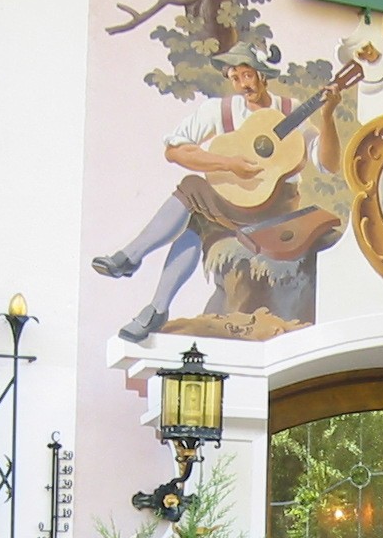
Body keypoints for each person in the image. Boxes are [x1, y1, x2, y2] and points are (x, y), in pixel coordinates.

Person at [92, 44, 344, 343]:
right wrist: (227, 164)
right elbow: (175, 150)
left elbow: (328, 165)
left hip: (275, 211)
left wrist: (327, 116)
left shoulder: (291, 110)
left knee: (192, 188)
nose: (242, 84)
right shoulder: (221, 111)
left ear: (263, 75)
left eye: (247, 75)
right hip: (234, 203)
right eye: (235, 78)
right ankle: (156, 308)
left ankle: (131, 259)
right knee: (195, 225)